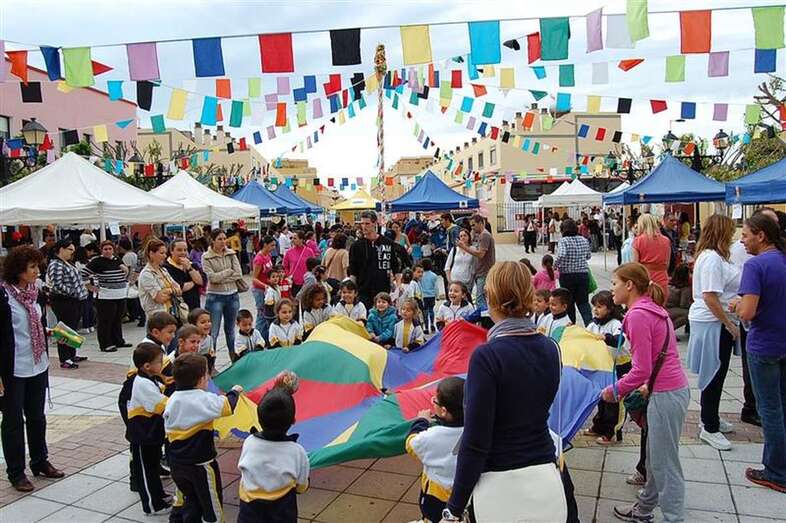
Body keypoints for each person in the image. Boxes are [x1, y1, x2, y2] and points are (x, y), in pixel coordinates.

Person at [444, 261, 567, 522]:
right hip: (544, 474)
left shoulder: (487, 356)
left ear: (492, 299)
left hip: (498, 482)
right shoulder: (551, 347)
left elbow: (476, 441)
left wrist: (454, 508)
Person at [602, 262, 689, 523]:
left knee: (665, 464)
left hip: (665, 394)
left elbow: (641, 369)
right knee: (654, 458)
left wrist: (614, 390)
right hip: (669, 391)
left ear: (629, 285)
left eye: (615, 283)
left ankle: (674, 518)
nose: (612, 288)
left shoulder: (637, 315)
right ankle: (644, 508)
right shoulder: (651, 309)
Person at [1, 246, 65, 492]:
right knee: (13, 421)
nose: (38, 271)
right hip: (13, 368)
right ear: (18, 270)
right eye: (33, 268)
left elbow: (35, 323)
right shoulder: (4, 296)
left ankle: (40, 461)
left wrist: (50, 332)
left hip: (37, 364)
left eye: (38, 266)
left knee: (37, 417)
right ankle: (16, 472)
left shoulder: (35, 292)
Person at [731, 213, 786, 493]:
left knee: (770, 410)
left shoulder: (756, 266)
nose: (742, 241)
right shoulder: (782, 259)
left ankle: (776, 471)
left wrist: (737, 306)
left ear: (761, 236)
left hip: (764, 344)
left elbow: (748, 312)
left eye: (745, 235)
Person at [164, 354, 242, 523]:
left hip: (177, 463)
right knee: (211, 503)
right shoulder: (203, 399)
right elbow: (227, 406)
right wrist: (235, 391)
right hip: (201, 465)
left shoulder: (172, 400)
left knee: (186, 498)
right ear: (201, 379)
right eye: (207, 374)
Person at [686, 215, 740, 451]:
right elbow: (710, 296)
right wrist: (728, 323)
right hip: (712, 323)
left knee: (717, 371)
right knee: (714, 371)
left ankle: (712, 417)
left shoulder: (713, 257)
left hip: (713, 321)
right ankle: (709, 425)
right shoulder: (712, 260)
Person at [238, 387, 309, 522]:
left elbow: (243, 468)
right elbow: (301, 486)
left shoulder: (249, 442)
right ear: (293, 420)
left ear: (259, 420)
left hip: (249, 513)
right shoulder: (297, 451)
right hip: (282, 513)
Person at [406, 376, 465, 523]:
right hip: (466, 491)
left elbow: (411, 444)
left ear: (444, 411)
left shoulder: (433, 436)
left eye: (435, 401)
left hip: (438, 494)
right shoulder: (479, 429)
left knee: (434, 516)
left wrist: (421, 421)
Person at [125, 343, 171, 515]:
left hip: (151, 434)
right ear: (147, 366)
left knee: (152, 467)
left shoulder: (149, 378)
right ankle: (153, 505)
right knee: (146, 471)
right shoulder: (142, 383)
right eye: (159, 362)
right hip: (142, 436)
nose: (163, 364)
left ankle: (158, 496)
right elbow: (161, 405)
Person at [586, 291, 629, 445]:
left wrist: (606, 338)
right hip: (602, 366)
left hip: (618, 367)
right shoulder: (593, 325)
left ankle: (613, 432)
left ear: (610, 308)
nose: (595, 310)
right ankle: (599, 426)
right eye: (594, 307)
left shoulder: (616, 324)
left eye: (599, 306)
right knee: (602, 397)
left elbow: (619, 340)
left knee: (614, 400)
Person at [46, 238, 88, 368]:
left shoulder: (67, 263)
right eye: (70, 249)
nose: (72, 252)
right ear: (61, 249)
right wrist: (74, 293)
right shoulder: (56, 265)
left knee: (71, 329)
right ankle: (65, 358)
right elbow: (57, 285)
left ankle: (71, 353)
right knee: (64, 329)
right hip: (64, 302)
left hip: (74, 301)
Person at [202, 229, 243, 361]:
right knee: (213, 332)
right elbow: (212, 278)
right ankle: (211, 362)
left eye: (224, 238)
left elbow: (238, 274)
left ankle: (234, 359)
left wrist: (222, 277)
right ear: (212, 240)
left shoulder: (231, 254)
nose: (223, 241)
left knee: (231, 330)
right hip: (215, 297)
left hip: (232, 295)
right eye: (219, 239)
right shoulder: (206, 256)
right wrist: (228, 271)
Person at [84, 240, 131, 353]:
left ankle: (118, 340)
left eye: (110, 249)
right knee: (106, 321)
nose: (108, 251)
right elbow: (83, 273)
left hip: (120, 294)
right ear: (101, 250)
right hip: (105, 296)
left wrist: (126, 270)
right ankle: (106, 344)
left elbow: (124, 272)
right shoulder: (97, 261)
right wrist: (90, 286)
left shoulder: (117, 260)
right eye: (105, 249)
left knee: (117, 319)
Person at [349, 211, 401, 310]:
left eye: (367, 223)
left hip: (383, 291)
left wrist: (398, 287)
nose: (364, 226)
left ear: (374, 223)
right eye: (362, 223)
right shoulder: (356, 246)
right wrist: (352, 291)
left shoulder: (387, 243)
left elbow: (395, 267)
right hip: (363, 291)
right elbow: (353, 271)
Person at [554, 218, 593, 326]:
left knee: (569, 303)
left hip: (567, 275)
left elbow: (561, 254)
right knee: (583, 302)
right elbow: (588, 256)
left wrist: (555, 266)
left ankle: (571, 326)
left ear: (563, 230)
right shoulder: (583, 239)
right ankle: (590, 325)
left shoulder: (564, 241)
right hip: (583, 275)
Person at [138, 238, 183, 320]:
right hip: (156, 317)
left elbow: (179, 289)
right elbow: (159, 298)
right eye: (162, 253)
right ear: (151, 254)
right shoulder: (146, 274)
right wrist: (173, 291)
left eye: (165, 253)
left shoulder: (163, 270)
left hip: (171, 313)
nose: (165, 256)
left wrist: (167, 291)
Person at [633, 214, 672, 303]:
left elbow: (635, 266)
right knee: (660, 307)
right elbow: (667, 263)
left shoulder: (638, 241)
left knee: (646, 307)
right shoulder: (666, 240)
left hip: (645, 277)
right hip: (662, 276)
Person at [458, 215, 495, 311]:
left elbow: (480, 254)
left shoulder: (485, 235)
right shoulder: (479, 235)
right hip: (479, 272)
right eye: (471, 226)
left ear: (481, 223)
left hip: (484, 272)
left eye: (474, 225)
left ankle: (484, 320)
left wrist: (464, 247)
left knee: (480, 298)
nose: (472, 228)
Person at [164, 239, 203, 311]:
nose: (183, 253)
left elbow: (200, 282)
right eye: (179, 250)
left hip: (195, 308)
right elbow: (179, 287)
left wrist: (189, 268)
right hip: (178, 309)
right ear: (171, 251)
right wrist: (194, 282)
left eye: (185, 250)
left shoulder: (192, 265)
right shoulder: (166, 267)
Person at [251, 236, 277, 335]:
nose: (274, 247)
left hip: (268, 289)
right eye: (272, 245)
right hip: (260, 290)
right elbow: (254, 278)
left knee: (268, 314)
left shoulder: (268, 256)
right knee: (261, 315)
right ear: (265, 245)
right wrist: (265, 286)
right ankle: (258, 336)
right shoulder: (259, 259)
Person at [283, 232, 316, 297]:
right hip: (293, 283)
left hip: (306, 282)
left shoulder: (309, 251)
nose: (292, 240)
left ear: (301, 239)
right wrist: (288, 275)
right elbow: (285, 266)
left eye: (295, 238)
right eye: (292, 238)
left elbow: (314, 266)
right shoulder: (289, 252)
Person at [666, 264, 692, 333]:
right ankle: (669, 330)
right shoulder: (685, 288)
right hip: (672, 310)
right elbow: (684, 304)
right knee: (689, 314)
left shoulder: (668, 282)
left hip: (664, 308)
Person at [419, 259, 439, 334]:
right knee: (431, 310)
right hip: (432, 295)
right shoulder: (434, 275)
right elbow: (436, 287)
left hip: (423, 296)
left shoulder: (421, 275)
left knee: (425, 312)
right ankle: (432, 324)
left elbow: (419, 286)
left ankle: (426, 327)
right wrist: (437, 296)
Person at [263, 268, 283, 342]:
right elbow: (269, 305)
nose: (276, 279)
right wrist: (276, 313)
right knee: (272, 329)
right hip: (271, 314)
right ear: (268, 279)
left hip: (276, 312)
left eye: (277, 276)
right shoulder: (270, 291)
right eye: (273, 277)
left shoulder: (277, 287)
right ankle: (271, 342)